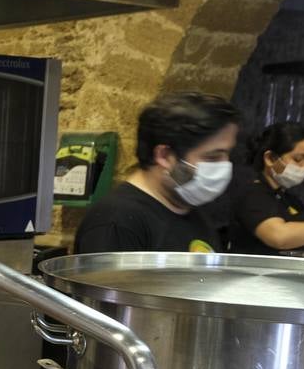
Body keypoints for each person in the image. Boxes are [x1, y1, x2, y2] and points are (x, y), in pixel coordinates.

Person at [74, 92, 240, 254]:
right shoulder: (116, 221)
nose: (224, 165)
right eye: (212, 157)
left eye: (227, 154)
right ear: (165, 156)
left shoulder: (192, 211)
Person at [227, 121, 304, 254]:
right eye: (298, 159)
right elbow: (279, 236)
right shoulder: (252, 195)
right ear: (270, 158)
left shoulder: (289, 199)